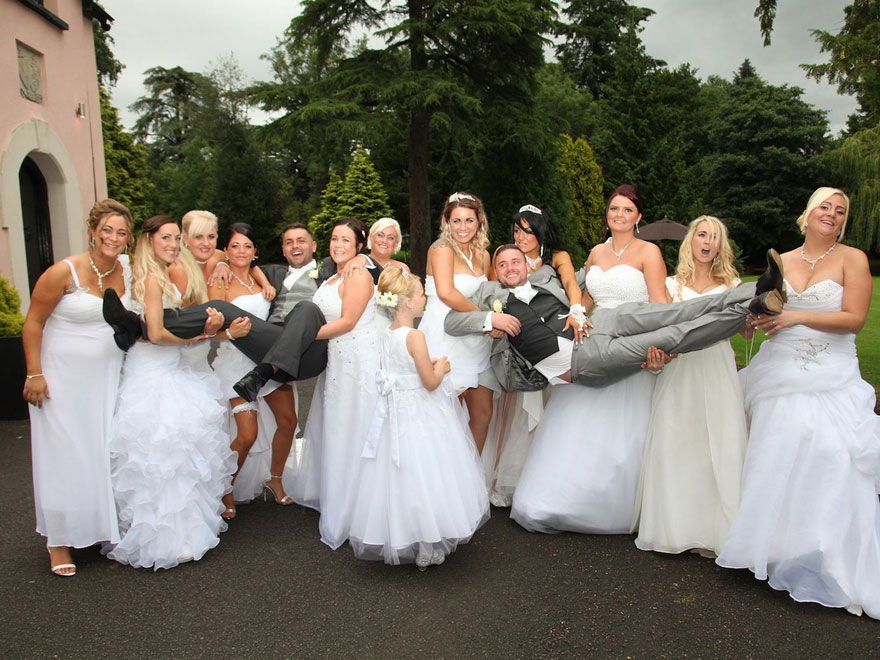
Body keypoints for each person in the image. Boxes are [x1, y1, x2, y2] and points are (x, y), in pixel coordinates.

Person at [443, 243, 782, 534]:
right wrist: (492, 320)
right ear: (496, 272)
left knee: (675, 313)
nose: (510, 267)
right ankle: (749, 312)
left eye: (515, 261)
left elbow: (574, 269)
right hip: (583, 361)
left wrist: (576, 304)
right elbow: (452, 322)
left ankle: (755, 290)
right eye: (502, 264)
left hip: (602, 323)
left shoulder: (544, 277)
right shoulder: (489, 297)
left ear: (526, 264)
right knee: (671, 337)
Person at [717, 187, 880, 619]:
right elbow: (766, 314)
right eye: (825, 206)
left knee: (831, 453)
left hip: (831, 372)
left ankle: (825, 551)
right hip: (779, 369)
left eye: (840, 210)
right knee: (774, 450)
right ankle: (776, 546)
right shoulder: (782, 261)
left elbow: (855, 319)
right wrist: (758, 319)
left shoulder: (853, 259)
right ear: (806, 214)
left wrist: (796, 315)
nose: (833, 214)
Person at [104, 216, 237, 570]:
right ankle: (162, 536)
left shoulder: (153, 274)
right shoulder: (149, 278)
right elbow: (157, 332)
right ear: (148, 241)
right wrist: (195, 338)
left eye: (177, 238)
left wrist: (222, 260)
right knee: (158, 452)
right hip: (152, 370)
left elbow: (218, 252)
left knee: (175, 450)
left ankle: (179, 532)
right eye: (167, 238)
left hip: (164, 367)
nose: (174, 244)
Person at [346, 267, 490, 568]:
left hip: (396, 410)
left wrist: (429, 364)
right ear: (407, 302)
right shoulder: (416, 335)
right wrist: (444, 366)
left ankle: (403, 533)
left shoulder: (388, 333)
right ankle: (429, 540)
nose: (425, 298)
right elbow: (430, 381)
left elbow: (401, 368)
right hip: (421, 410)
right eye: (421, 294)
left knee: (400, 474)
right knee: (429, 472)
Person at [22, 199, 134, 576]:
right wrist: (34, 373)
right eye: (107, 230)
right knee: (64, 454)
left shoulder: (128, 271)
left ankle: (100, 526)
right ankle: (58, 541)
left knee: (101, 450)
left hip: (106, 380)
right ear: (93, 232)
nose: (113, 238)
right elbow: (34, 322)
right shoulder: (62, 272)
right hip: (61, 380)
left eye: (121, 232)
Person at [633, 216, 748, 556]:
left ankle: (717, 532)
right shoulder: (669, 285)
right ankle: (675, 528)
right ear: (691, 241)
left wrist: (753, 320)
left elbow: (745, 331)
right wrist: (655, 357)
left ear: (720, 245)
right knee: (677, 441)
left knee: (718, 444)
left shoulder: (734, 285)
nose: (707, 241)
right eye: (701, 235)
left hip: (716, 368)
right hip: (679, 370)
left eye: (714, 236)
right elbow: (658, 331)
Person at [286, 218, 380, 550]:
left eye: (345, 240)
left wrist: (301, 336)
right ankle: (339, 494)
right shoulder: (332, 277)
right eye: (334, 238)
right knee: (337, 427)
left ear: (358, 247)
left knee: (356, 426)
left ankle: (360, 506)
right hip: (337, 361)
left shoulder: (358, 275)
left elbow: (348, 321)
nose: (338, 244)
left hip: (359, 360)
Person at [483, 203, 585, 506]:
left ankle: (544, 480)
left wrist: (577, 310)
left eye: (527, 230)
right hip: (521, 346)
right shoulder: (503, 260)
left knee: (553, 415)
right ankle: (501, 480)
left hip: (557, 344)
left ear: (540, 230)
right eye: (517, 229)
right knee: (510, 414)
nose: (521, 235)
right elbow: (494, 298)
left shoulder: (557, 258)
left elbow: (570, 286)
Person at [209, 223, 298, 519]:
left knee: (289, 421)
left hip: (266, 363)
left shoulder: (263, 281)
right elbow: (209, 332)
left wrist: (259, 277)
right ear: (226, 250)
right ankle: (225, 487)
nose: (241, 251)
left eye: (247, 246)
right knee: (247, 434)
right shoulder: (219, 280)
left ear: (255, 251)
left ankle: (275, 478)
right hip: (235, 366)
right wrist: (230, 333)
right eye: (234, 246)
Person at [421, 192, 496, 453]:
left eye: (468, 220)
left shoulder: (483, 255)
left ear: (479, 222)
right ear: (446, 222)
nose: (463, 227)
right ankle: (440, 478)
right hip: (443, 336)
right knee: (443, 414)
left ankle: (470, 478)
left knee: (483, 413)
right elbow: (446, 292)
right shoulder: (441, 249)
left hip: (475, 340)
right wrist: (485, 319)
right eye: (456, 221)